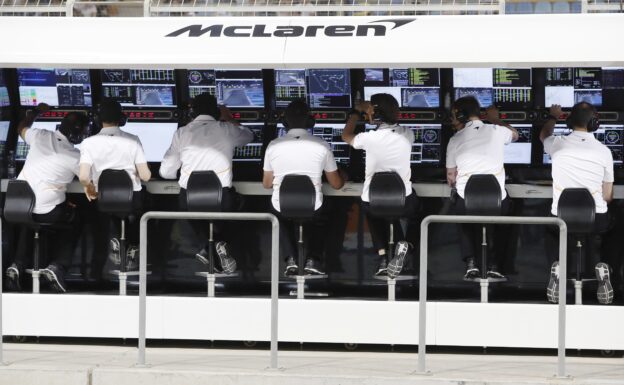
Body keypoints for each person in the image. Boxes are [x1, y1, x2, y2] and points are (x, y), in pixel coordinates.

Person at [160, 93, 252, 273]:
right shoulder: (226, 129)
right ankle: (217, 244)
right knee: (240, 205)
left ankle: (208, 247)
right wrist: (229, 118)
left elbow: (166, 172)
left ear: (192, 113)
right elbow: (250, 136)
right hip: (222, 200)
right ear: (217, 112)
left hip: (189, 201)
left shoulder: (182, 133)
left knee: (194, 217)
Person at [6, 104, 89, 293]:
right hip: (45, 212)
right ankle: (58, 266)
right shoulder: (75, 155)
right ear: (78, 135)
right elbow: (87, 178)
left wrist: (34, 113)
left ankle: (17, 265)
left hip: (16, 205)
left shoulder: (41, 135)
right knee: (76, 217)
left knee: (30, 218)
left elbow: (20, 128)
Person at [541, 103, 614, 304]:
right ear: (595, 123)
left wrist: (553, 117)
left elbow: (543, 135)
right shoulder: (604, 151)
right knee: (608, 225)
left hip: (562, 219)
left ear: (570, 122)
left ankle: (557, 268)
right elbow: (607, 196)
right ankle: (601, 266)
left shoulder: (556, 143)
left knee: (551, 229)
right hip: (595, 220)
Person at [263, 99, 344, 276]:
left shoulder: (273, 145)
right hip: (312, 207)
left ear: (285, 122)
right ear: (310, 121)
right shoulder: (321, 145)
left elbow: (267, 184)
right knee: (325, 213)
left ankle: (291, 258)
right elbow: (336, 185)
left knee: (278, 215)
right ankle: (313, 259)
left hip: (282, 206)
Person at [342, 93, 418, 278]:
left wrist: (355, 114)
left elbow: (346, 136)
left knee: (372, 209)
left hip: (374, 201)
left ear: (376, 114)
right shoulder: (407, 134)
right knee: (418, 211)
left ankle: (383, 257)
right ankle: (407, 244)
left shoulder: (369, 138)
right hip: (402, 201)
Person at [446, 96, 519, 280]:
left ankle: (471, 262)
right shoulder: (496, 130)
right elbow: (515, 134)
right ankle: (495, 265)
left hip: (467, 204)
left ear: (460, 114)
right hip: (497, 204)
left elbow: (451, 177)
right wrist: (494, 118)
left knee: (462, 216)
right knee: (505, 216)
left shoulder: (455, 140)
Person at [79, 98, 151, 270]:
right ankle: (132, 245)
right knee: (143, 208)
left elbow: (83, 176)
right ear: (122, 118)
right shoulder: (133, 140)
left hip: (103, 200)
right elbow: (146, 176)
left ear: (97, 120)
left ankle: (114, 239)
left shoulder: (88, 143)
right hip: (131, 200)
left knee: (100, 214)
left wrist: (89, 188)